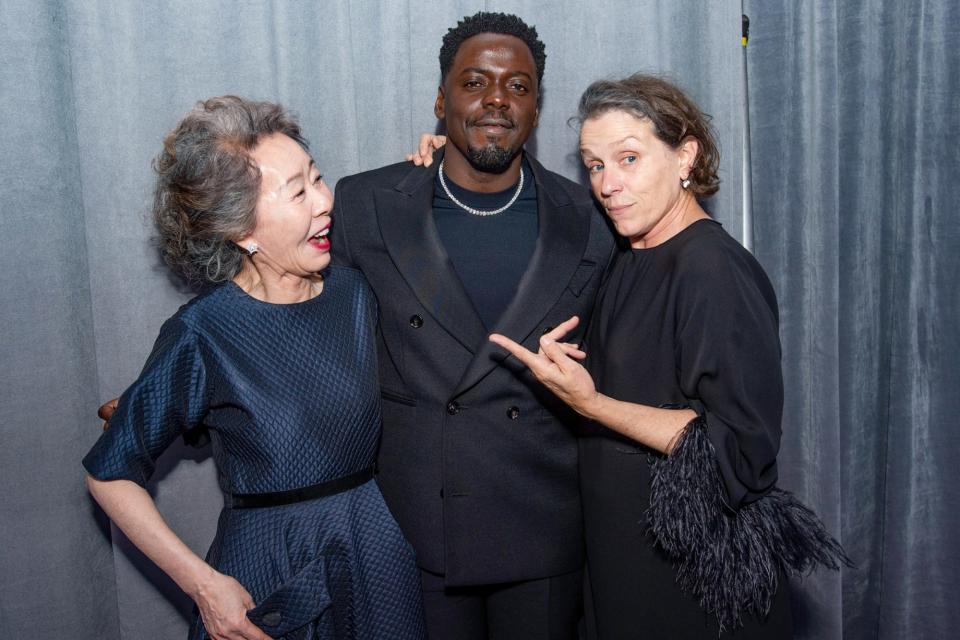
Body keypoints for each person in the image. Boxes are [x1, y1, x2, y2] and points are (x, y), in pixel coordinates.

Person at [489, 74, 848, 639]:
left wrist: (593, 403)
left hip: (693, 580)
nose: (607, 184)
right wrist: (444, 156)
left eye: (628, 158)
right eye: (595, 164)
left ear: (686, 155)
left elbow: (741, 448)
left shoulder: (712, 270)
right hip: (628, 561)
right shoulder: (632, 254)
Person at [83, 96, 425, 640]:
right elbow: (108, 474)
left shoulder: (355, 292)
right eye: (298, 191)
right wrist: (202, 584)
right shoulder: (204, 330)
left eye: (317, 178)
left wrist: (437, 157)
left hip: (374, 558)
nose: (325, 201)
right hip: (268, 568)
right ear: (242, 230)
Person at [329, 12, 614, 640]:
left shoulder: (591, 217)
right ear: (440, 99)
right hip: (415, 520)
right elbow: (307, 326)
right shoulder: (365, 204)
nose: (496, 100)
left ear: (537, 107)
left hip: (543, 524)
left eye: (518, 86)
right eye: (475, 82)